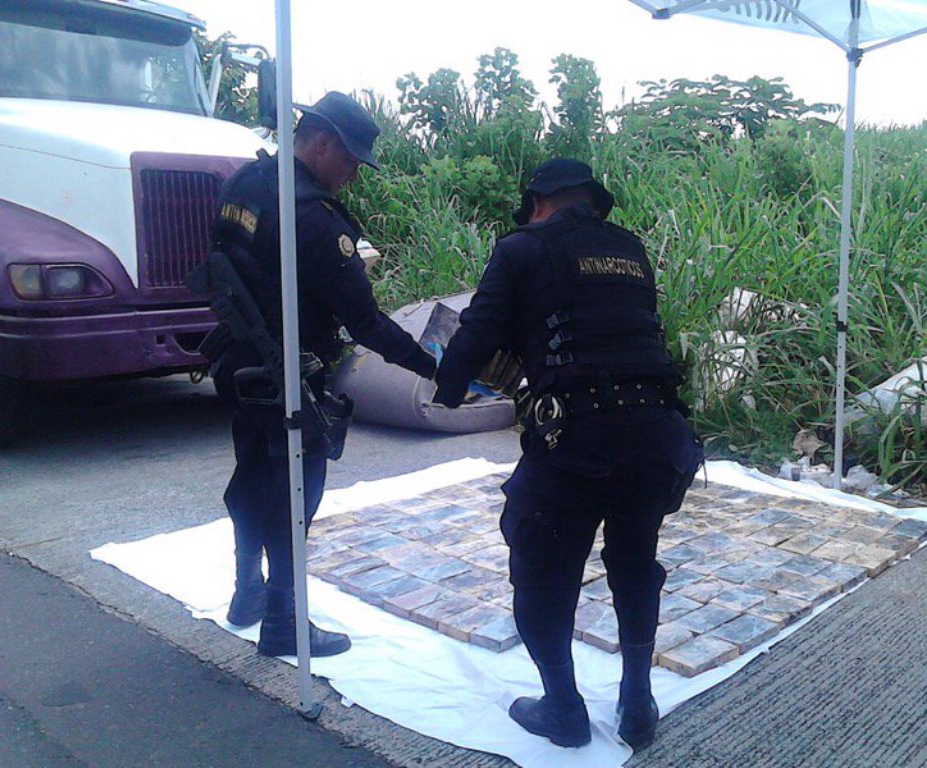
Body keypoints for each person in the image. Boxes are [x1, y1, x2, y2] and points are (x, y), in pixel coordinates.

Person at [433, 159, 702, 751]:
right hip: (658, 434)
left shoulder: (523, 247)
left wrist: (447, 388)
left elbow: (477, 334)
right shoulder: (630, 250)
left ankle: (564, 710)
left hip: (576, 440)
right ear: (591, 203)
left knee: (542, 574)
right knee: (635, 562)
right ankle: (637, 700)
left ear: (537, 203)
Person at [210, 92, 436, 658]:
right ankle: (284, 621)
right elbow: (364, 320)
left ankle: (247, 593)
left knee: (252, 476)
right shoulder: (312, 216)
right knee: (295, 496)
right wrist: (434, 366)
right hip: (292, 373)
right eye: (352, 162)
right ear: (323, 142)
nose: (354, 176)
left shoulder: (246, 183)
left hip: (240, 362)